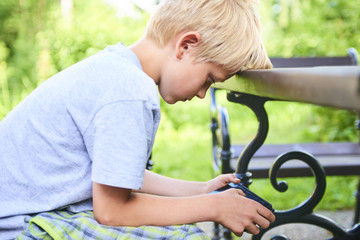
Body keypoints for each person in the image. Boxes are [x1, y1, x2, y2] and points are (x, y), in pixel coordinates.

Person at [0, 0, 275, 239]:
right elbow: (112, 210)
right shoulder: (129, 91)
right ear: (186, 45)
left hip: (23, 213)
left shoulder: (116, 69)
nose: (203, 94)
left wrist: (201, 191)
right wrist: (214, 207)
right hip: (21, 225)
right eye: (209, 79)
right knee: (185, 236)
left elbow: (116, 173)